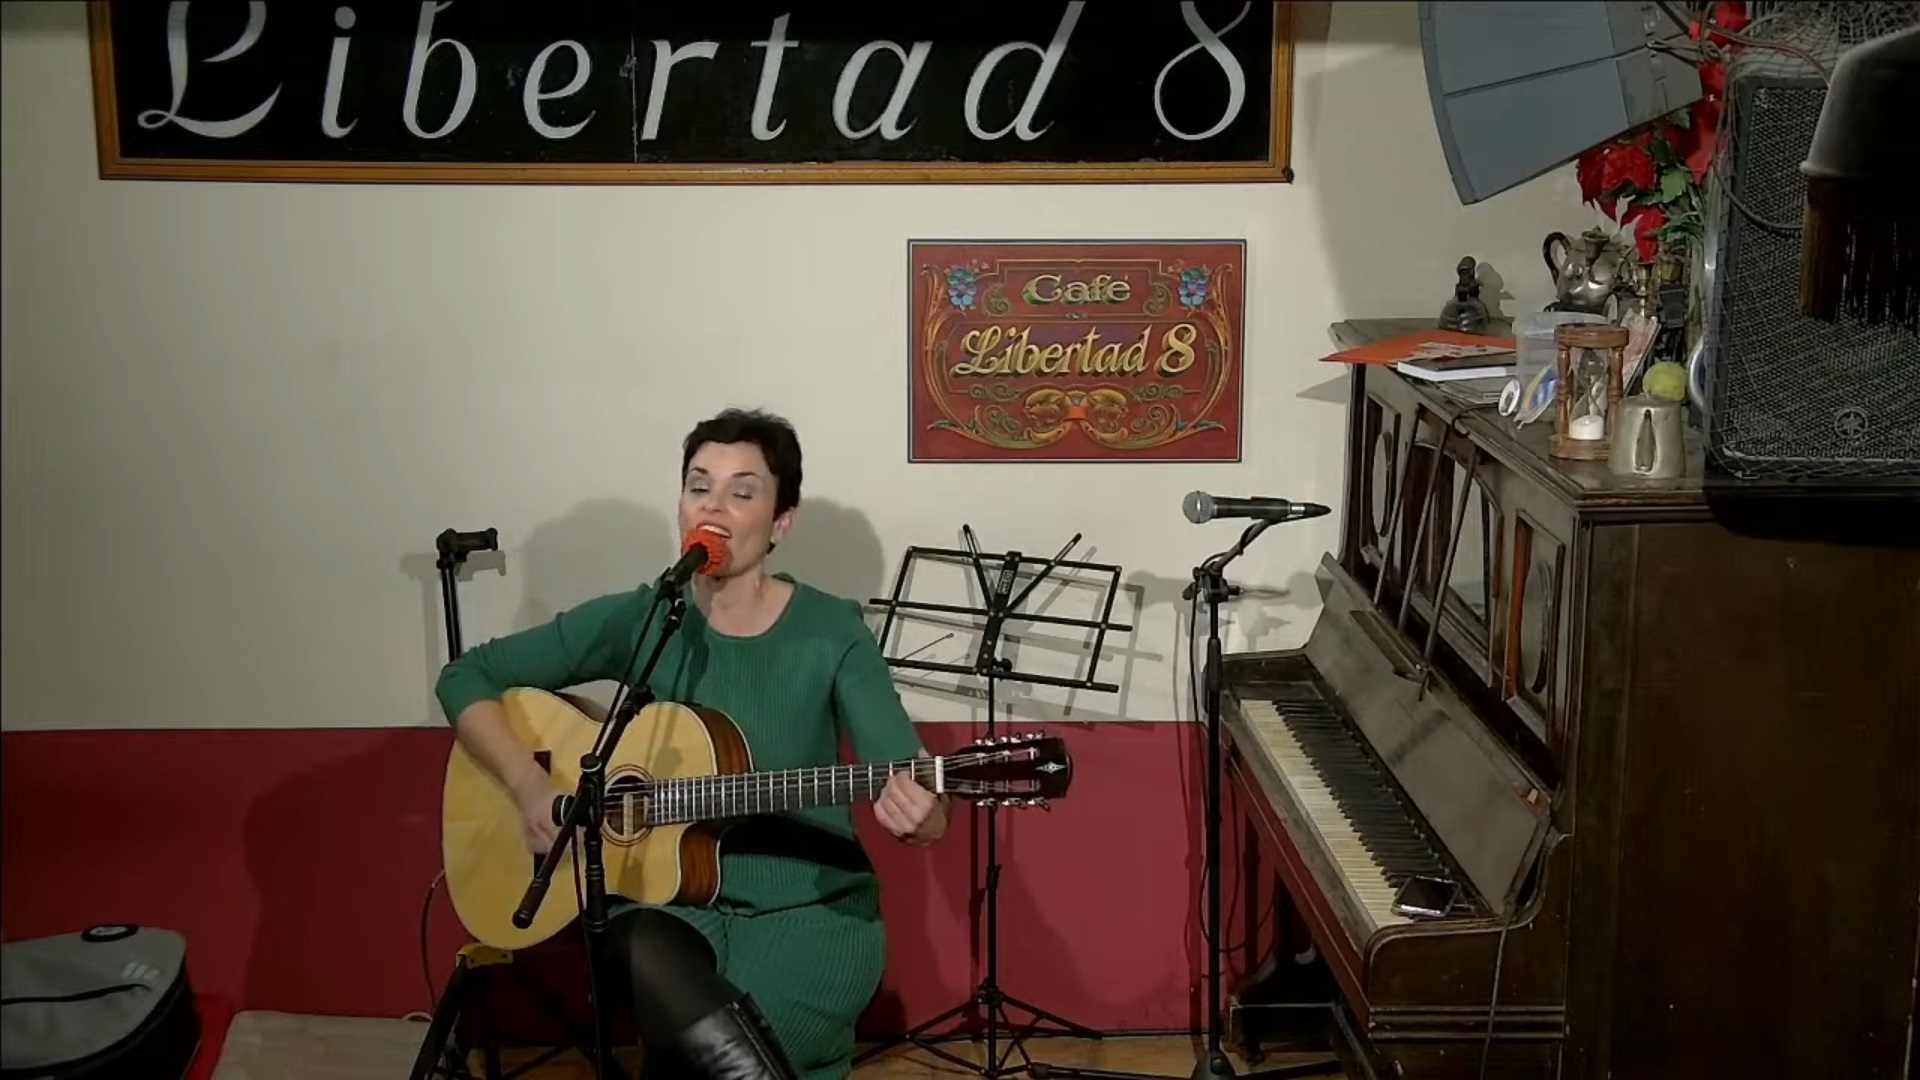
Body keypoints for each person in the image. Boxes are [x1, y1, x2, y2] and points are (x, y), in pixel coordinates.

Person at [435, 408, 949, 1080]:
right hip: (672, 909)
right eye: (699, 486)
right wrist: (529, 785)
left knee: (704, 1061)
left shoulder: (833, 630)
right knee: (641, 951)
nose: (713, 505)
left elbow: (911, 777)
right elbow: (466, 676)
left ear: (780, 522)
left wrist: (926, 816)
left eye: (743, 491)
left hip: (809, 914)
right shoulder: (647, 616)